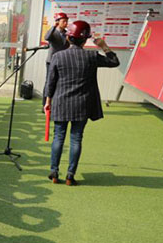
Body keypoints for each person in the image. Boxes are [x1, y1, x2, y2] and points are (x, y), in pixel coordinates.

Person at [45, 20, 119, 185]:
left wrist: (48, 100)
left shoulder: (58, 56)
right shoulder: (92, 56)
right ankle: (70, 175)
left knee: (58, 137)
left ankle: (54, 171)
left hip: (61, 102)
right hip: (82, 104)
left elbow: (51, 82)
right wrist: (103, 46)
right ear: (85, 40)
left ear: (68, 38)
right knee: (76, 139)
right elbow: (114, 62)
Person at [43, 12, 70, 107]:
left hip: (63, 61)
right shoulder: (53, 32)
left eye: (67, 21)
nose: (66, 23)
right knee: (49, 82)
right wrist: (53, 27)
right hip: (51, 61)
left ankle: (56, 103)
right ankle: (45, 104)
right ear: (58, 22)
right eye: (64, 21)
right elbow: (46, 37)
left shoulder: (67, 33)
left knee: (60, 82)